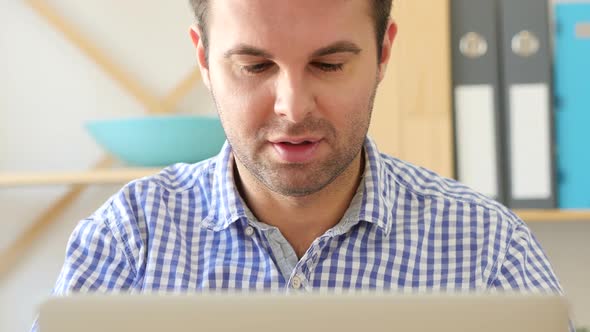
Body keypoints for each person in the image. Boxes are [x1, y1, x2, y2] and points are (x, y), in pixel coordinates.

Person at [32, 0, 566, 330]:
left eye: (329, 64)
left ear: (382, 52)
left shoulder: (487, 247)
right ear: (203, 59)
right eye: (255, 65)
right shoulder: (129, 240)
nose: (292, 105)